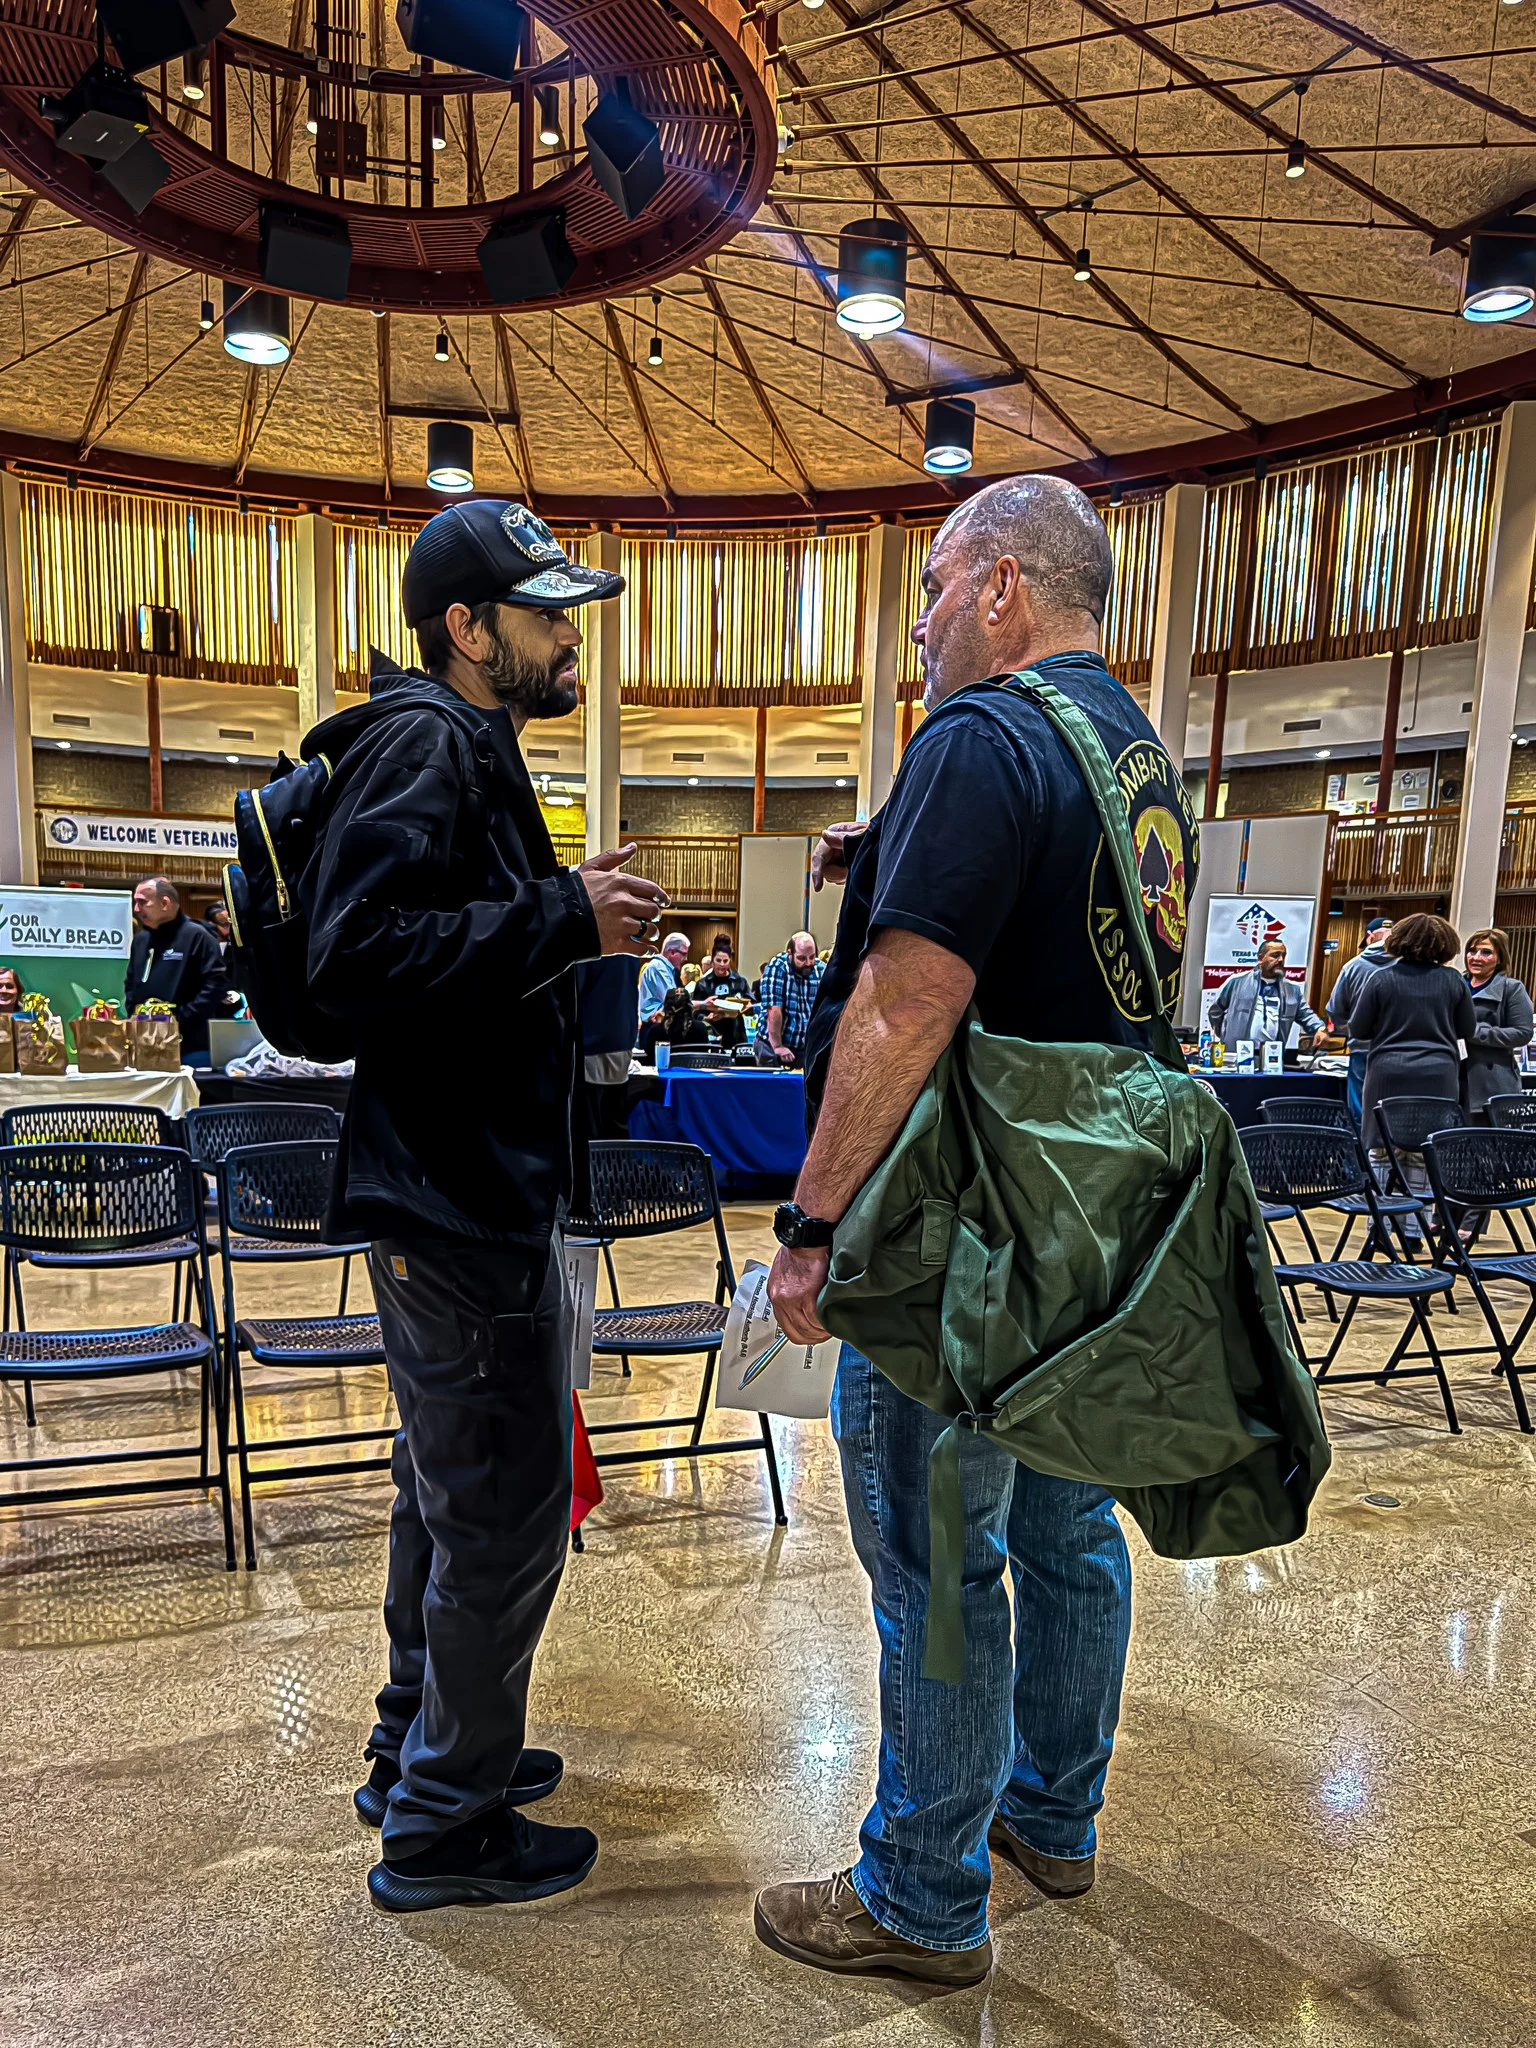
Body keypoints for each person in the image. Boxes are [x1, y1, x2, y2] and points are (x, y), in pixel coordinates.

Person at [759, 473, 1199, 1986]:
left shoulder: (979, 732)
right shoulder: (1132, 752)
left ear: (1004, 585)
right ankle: (1052, 1815)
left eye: (938, 585)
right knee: (1069, 1526)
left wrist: (813, 1222)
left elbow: (906, 1002)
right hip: (1091, 1224)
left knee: (943, 1549)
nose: (922, 624)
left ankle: (922, 1891)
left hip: (962, 1239)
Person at [303, 499, 669, 1914]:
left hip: (454, 1190)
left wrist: (566, 917)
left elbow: (442, 958)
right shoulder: (431, 743)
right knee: (505, 1514)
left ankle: (423, 1749)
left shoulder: (459, 742)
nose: (569, 636)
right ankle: (444, 1826)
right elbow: (354, 955)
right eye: (544, 613)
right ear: (467, 627)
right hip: (455, 1198)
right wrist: (563, 917)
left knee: (448, 1496)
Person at [1348, 913, 1476, 1159]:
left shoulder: (1380, 978)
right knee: (1427, 1152)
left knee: (1384, 1150)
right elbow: (1467, 1029)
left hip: (1388, 1073)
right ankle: (1422, 1184)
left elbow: (1359, 1029)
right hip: (1438, 1074)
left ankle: (1385, 1184)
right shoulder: (1454, 981)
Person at [127, 876, 228, 1066]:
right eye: (135, 903)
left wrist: (179, 1019)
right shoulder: (141, 940)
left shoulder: (199, 936)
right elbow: (131, 984)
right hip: (146, 1043)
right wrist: (135, 1015)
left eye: (142, 902)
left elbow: (216, 985)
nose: (136, 909)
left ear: (165, 903)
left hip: (190, 1046)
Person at [1206, 938, 1324, 1055]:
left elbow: (1306, 1015)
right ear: (1261, 958)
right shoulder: (1237, 982)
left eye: (1283, 956)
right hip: (1237, 1054)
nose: (1280, 960)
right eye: (1275, 955)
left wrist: (1320, 1028)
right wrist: (1226, 1034)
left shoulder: (1292, 990)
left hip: (1272, 1057)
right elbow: (1215, 1012)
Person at [1461, 927, 1534, 1117]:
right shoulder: (1456, 983)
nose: (1476, 957)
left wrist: (1475, 1032)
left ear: (1499, 958)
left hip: (1491, 1082)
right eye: (1472, 951)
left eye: (1486, 952)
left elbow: (1523, 1033)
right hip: (1452, 1078)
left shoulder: (1512, 989)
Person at [1327, 917, 1393, 1125]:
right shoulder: (1407, 967)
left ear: (1369, 936)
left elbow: (1335, 1010)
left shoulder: (1352, 967)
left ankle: (1360, 1146)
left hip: (1362, 1049)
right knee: (1391, 1112)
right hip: (1396, 1050)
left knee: (1360, 1112)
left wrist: (1351, 1028)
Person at [759, 931, 824, 1065]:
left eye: (812, 957)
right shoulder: (777, 967)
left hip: (804, 1047)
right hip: (772, 1044)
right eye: (801, 958)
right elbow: (774, 1010)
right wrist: (778, 1046)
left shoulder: (821, 970)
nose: (808, 963)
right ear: (790, 953)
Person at [691, 934, 754, 1049]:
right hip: (711, 1036)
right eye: (718, 960)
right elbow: (695, 1011)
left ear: (730, 960)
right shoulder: (702, 984)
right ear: (712, 961)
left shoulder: (740, 981)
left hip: (737, 1036)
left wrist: (749, 1008)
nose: (722, 964)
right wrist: (706, 1018)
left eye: (725, 961)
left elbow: (752, 1006)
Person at [638, 932, 689, 1035]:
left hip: (659, 1025)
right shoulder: (658, 968)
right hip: (654, 1027)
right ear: (672, 952)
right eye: (684, 954)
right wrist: (703, 1005)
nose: (685, 959)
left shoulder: (667, 969)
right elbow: (675, 1001)